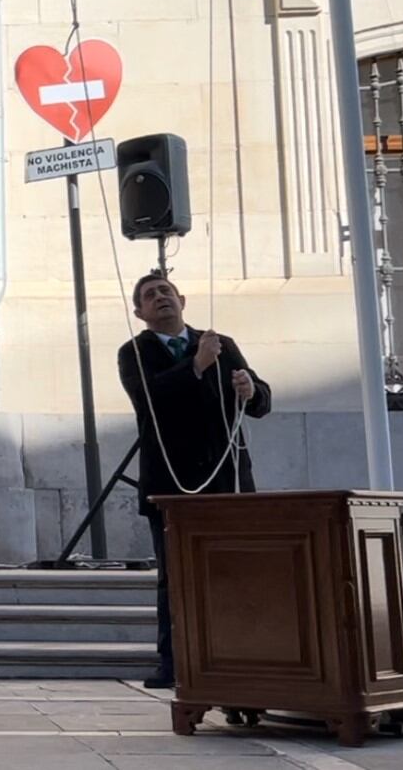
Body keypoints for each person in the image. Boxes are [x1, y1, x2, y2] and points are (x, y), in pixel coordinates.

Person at [117, 273, 272, 690]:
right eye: (150, 296)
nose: (160, 298)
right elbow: (151, 400)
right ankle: (173, 662)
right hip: (171, 484)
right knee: (174, 577)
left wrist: (250, 389)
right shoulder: (135, 352)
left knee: (236, 571)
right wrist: (197, 365)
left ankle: (240, 655)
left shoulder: (220, 342)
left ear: (182, 299)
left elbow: (263, 401)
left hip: (226, 478)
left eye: (165, 291)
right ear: (140, 313)